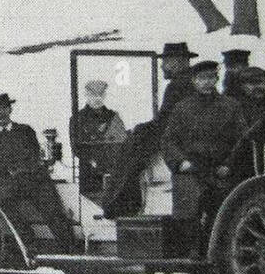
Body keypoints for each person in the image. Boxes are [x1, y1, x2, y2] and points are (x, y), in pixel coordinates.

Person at [100, 42, 198, 217]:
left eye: (166, 61)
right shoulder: (190, 81)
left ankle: (117, 205)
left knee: (130, 152)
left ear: (178, 61)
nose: (162, 66)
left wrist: (139, 130)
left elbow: (164, 122)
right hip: (182, 134)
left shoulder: (177, 85)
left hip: (174, 138)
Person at [0, 93, 77, 254]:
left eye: (4, 108)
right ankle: (29, 245)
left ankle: (70, 251)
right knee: (4, 199)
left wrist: (17, 171)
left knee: (52, 208)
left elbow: (35, 158)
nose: (1, 113)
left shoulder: (25, 131)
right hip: (7, 185)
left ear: (10, 109)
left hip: (34, 180)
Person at [160, 61, 246, 251]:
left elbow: (241, 141)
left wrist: (229, 165)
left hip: (220, 169)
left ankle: (217, 252)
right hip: (191, 169)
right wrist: (180, 162)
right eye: (202, 78)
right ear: (194, 81)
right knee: (188, 206)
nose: (207, 82)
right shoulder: (182, 108)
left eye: (211, 78)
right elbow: (168, 140)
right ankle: (192, 251)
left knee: (223, 211)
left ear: (216, 79)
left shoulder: (231, 106)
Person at [69, 79, 126, 196]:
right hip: (89, 177)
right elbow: (76, 148)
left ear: (104, 95)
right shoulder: (77, 119)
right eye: (93, 95)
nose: (97, 98)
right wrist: (93, 162)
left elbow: (122, 144)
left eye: (100, 94)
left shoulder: (113, 117)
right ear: (86, 95)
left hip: (113, 174)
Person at [230, 66, 265, 180]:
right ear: (242, 86)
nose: (258, 87)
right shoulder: (234, 110)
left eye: (260, 82)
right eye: (251, 83)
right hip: (241, 168)